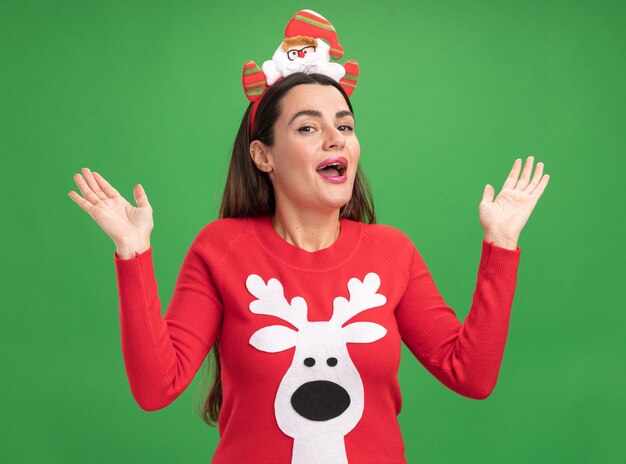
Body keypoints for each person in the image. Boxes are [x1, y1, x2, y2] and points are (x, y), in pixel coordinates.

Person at [68, 10, 550, 464]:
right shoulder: (220, 249)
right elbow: (157, 389)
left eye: (344, 125)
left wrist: (502, 244)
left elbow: (471, 375)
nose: (336, 138)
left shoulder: (392, 253)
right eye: (308, 127)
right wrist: (133, 252)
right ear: (263, 156)